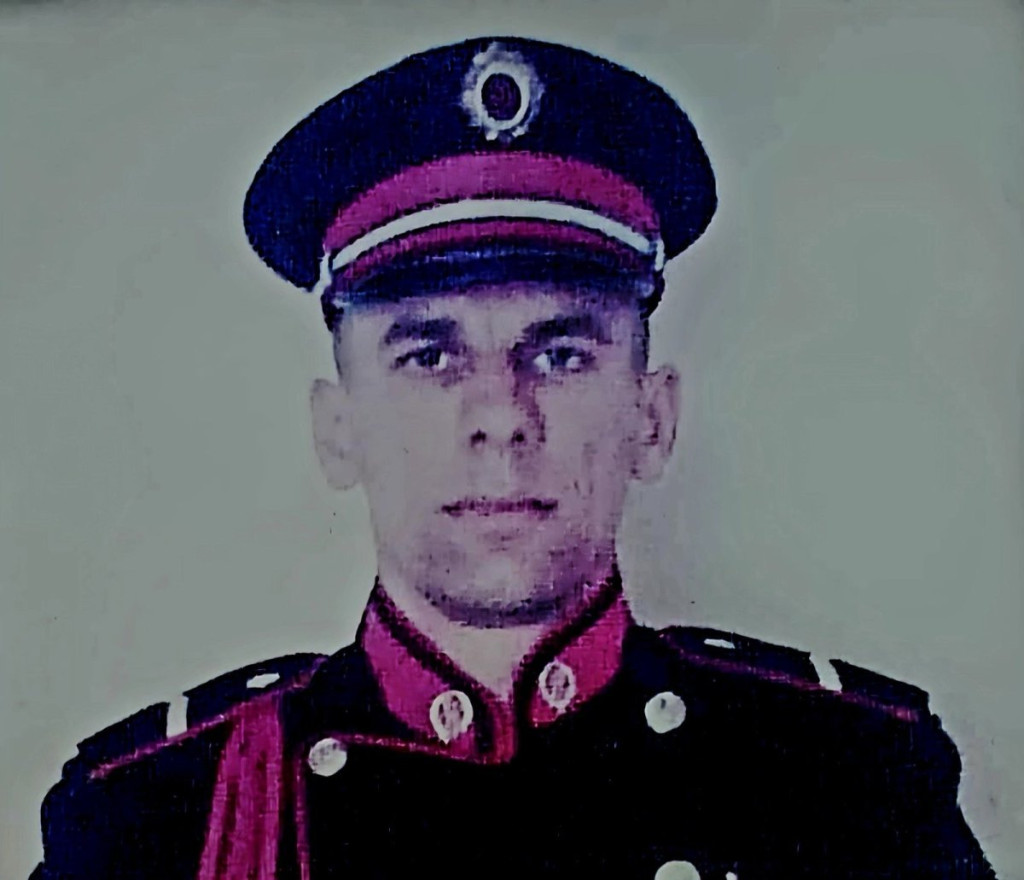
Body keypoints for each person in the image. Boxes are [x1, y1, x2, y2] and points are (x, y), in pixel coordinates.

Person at [30, 36, 994, 880]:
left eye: (561, 354)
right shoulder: (153, 823)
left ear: (652, 417)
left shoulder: (850, 786)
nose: (500, 416)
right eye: (429, 356)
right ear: (339, 429)